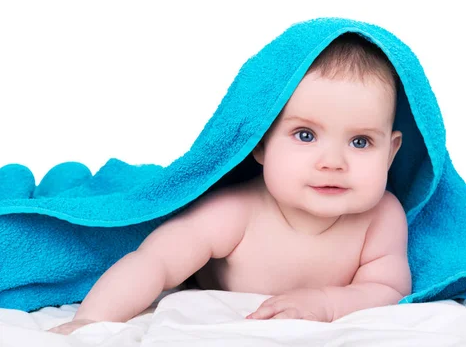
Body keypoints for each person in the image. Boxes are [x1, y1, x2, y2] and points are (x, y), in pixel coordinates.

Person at [49, 33, 411, 335]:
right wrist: (92, 320)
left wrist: (326, 303)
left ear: (391, 152)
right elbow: (154, 262)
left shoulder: (381, 218)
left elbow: (387, 288)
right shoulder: (235, 212)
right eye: (305, 134)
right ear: (261, 143)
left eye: (360, 142)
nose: (333, 162)